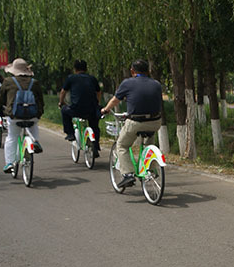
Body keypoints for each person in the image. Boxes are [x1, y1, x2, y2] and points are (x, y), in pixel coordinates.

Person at [101, 59, 163, 189]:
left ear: (132, 71)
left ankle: (128, 174)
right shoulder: (156, 84)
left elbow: (115, 100)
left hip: (136, 122)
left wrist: (105, 109)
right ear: (148, 71)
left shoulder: (127, 83)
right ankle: (150, 169)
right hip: (155, 122)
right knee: (149, 142)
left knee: (122, 145)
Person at [0, 58, 45, 173]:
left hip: (14, 116)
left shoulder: (8, 81)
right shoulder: (34, 82)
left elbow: (1, 100)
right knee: (33, 124)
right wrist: (39, 113)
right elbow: (41, 100)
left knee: (12, 137)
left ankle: (9, 163)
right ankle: (35, 141)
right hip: (32, 114)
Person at [59, 59, 102, 156]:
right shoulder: (92, 78)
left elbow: (63, 92)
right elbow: (98, 92)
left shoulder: (71, 78)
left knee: (64, 111)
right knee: (95, 126)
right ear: (86, 68)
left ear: (75, 69)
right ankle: (96, 145)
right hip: (91, 109)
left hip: (76, 109)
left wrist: (61, 102)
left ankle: (70, 133)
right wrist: (97, 103)